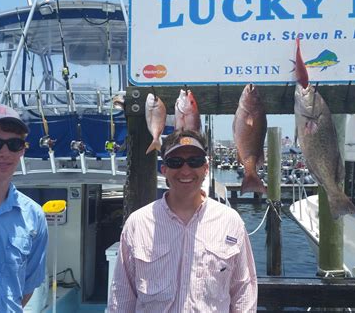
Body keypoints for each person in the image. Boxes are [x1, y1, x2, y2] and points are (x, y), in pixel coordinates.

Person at [108, 129, 257, 312]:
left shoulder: (231, 221)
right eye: (175, 162)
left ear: (205, 168)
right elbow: (122, 295)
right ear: (164, 170)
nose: (185, 170)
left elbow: (244, 291)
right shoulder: (137, 223)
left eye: (194, 161)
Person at [0, 103, 48, 312]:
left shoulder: (34, 216)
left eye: (14, 144)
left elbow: (27, 286)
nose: (4, 152)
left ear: (22, 150)